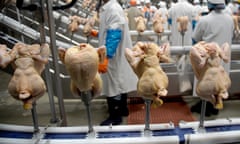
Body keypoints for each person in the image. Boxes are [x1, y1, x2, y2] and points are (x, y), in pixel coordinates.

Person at [96, 0, 138, 126]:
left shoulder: (112, 9)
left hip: (114, 54)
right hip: (116, 53)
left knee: (113, 84)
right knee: (119, 81)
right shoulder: (111, 8)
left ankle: (115, 116)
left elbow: (114, 34)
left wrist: (106, 56)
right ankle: (123, 109)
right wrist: (97, 34)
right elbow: (110, 29)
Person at [191, 0, 234, 116]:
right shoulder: (230, 19)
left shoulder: (205, 20)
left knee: (206, 82)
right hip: (223, 57)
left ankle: (205, 107)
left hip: (208, 59)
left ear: (209, 5)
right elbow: (232, 35)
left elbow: (195, 38)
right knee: (219, 83)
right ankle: (215, 105)